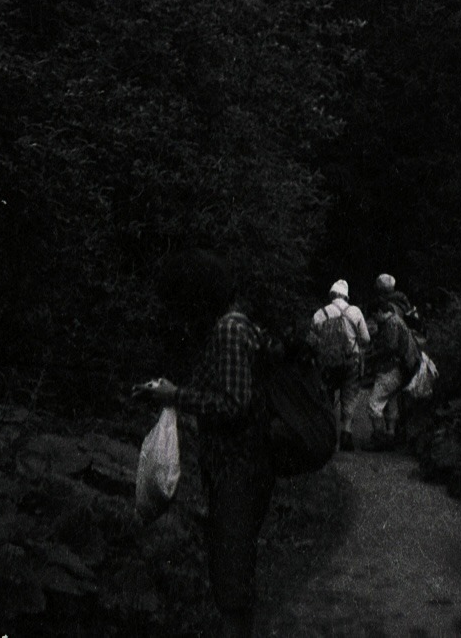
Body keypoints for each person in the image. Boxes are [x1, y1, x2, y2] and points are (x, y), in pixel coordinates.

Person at [141, 252, 272, 638]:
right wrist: (168, 393)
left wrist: (177, 395)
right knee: (232, 573)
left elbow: (234, 402)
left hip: (239, 470)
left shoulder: (229, 331)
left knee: (231, 580)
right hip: (237, 469)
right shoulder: (233, 327)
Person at [309, 278, 370, 452]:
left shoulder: (320, 313)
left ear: (332, 294)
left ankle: (327, 434)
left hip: (327, 362)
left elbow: (312, 341)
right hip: (352, 360)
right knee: (349, 396)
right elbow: (366, 339)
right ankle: (346, 433)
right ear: (346, 296)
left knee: (327, 396)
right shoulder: (355, 312)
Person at [366, 278, 421, 450]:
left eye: (374, 315)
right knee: (391, 401)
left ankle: (380, 438)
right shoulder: (401, 311)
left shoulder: (391, 323)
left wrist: (370, 357)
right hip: (407, 367)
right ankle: (392, 435)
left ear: (380, 311)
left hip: (394, 369)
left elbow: (389, 347)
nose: (374, 320)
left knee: (374, 404)